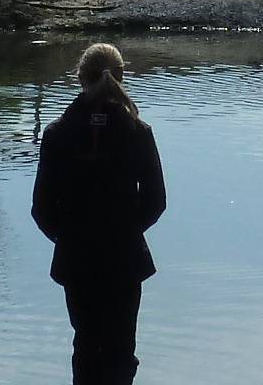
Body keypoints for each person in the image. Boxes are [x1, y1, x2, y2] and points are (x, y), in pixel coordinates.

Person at [32, 44, 165, 385]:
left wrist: (70, 237)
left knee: (86, 345)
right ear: (122, 78)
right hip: (125, 259)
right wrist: (126, 231)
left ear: (80, 79)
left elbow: (41, 208)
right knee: (121, 348)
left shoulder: (57, 134)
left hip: (77, 260)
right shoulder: (139, 132)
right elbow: (156, 202)